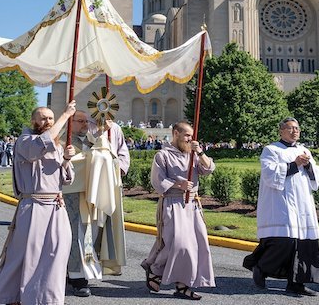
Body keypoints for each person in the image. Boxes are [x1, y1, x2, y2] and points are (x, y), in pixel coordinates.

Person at [0, 103, 76, 305]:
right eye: (43, 118)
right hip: (33, 206)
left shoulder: (57, 144)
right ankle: (14, 297)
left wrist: (65, 159)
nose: (48, 122)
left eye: (51, 118)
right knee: (25, 255)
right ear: (34, 121)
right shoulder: (25, 141)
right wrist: (65, 115)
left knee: (56, 253)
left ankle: (46, 299)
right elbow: (37, 149)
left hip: (56, 206)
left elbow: (66, 178)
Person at [243, 117, 319, 296]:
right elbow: (270, 173)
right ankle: (260, 267)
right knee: (284, 242)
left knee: (305, 244)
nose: (294, 131)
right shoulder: (271, 150)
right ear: (281, 131)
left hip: (303, 204)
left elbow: (316, 176)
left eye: (297, 128)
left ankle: (297, 284)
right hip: (281, 203)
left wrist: (308, 164)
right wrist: (295, 164)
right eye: (290, 128)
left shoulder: (304, 150)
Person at [141, 121, 216, 300]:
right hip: (172, 202)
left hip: (192, 204)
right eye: (187, 135)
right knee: (178, 243)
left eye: (192, 136)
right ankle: (156, 268)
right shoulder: (163, 155)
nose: (190, 139)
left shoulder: (193, 154)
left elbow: (209, 169)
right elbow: (158, 181)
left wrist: (200, 152)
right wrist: (178, 184)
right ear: (175, 133)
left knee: (197, 243)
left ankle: (181, 285)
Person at [62, 111, 131, 297]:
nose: (85, 124)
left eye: (87, 121)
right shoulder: (63, 142)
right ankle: (78, 278)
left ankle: (77, 273)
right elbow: (72, 164)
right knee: (78, 235)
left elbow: (112, 158)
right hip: (73, 196)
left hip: (94, 195)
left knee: (90, 235)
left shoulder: (92, 139)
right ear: (71, 122)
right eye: (81, 121)